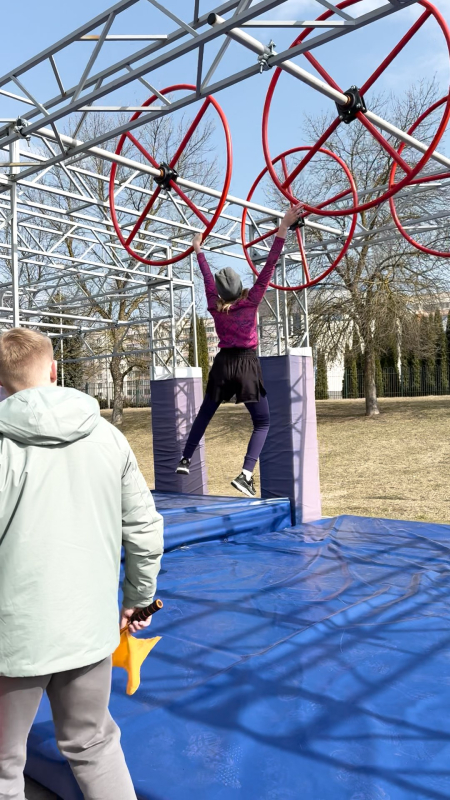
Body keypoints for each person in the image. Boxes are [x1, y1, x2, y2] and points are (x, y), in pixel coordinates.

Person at [0, 328, 164, 800]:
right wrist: (138, 602)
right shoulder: (109, 439)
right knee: (93, 744)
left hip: (14, 642)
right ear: (54, 370)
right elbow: (145, 529)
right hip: (89, 632)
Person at [177, 203, 303, 496]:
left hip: (222, 364)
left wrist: (198, 250)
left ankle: (185, 458)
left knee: (205, 413)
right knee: (263, 421)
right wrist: (283, 227)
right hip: (246, 364)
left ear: (221, 293)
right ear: (240, 287)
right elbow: (269, 265)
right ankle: (245, 473)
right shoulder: (252, 301)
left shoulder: (214, 306)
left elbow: (207, 281)